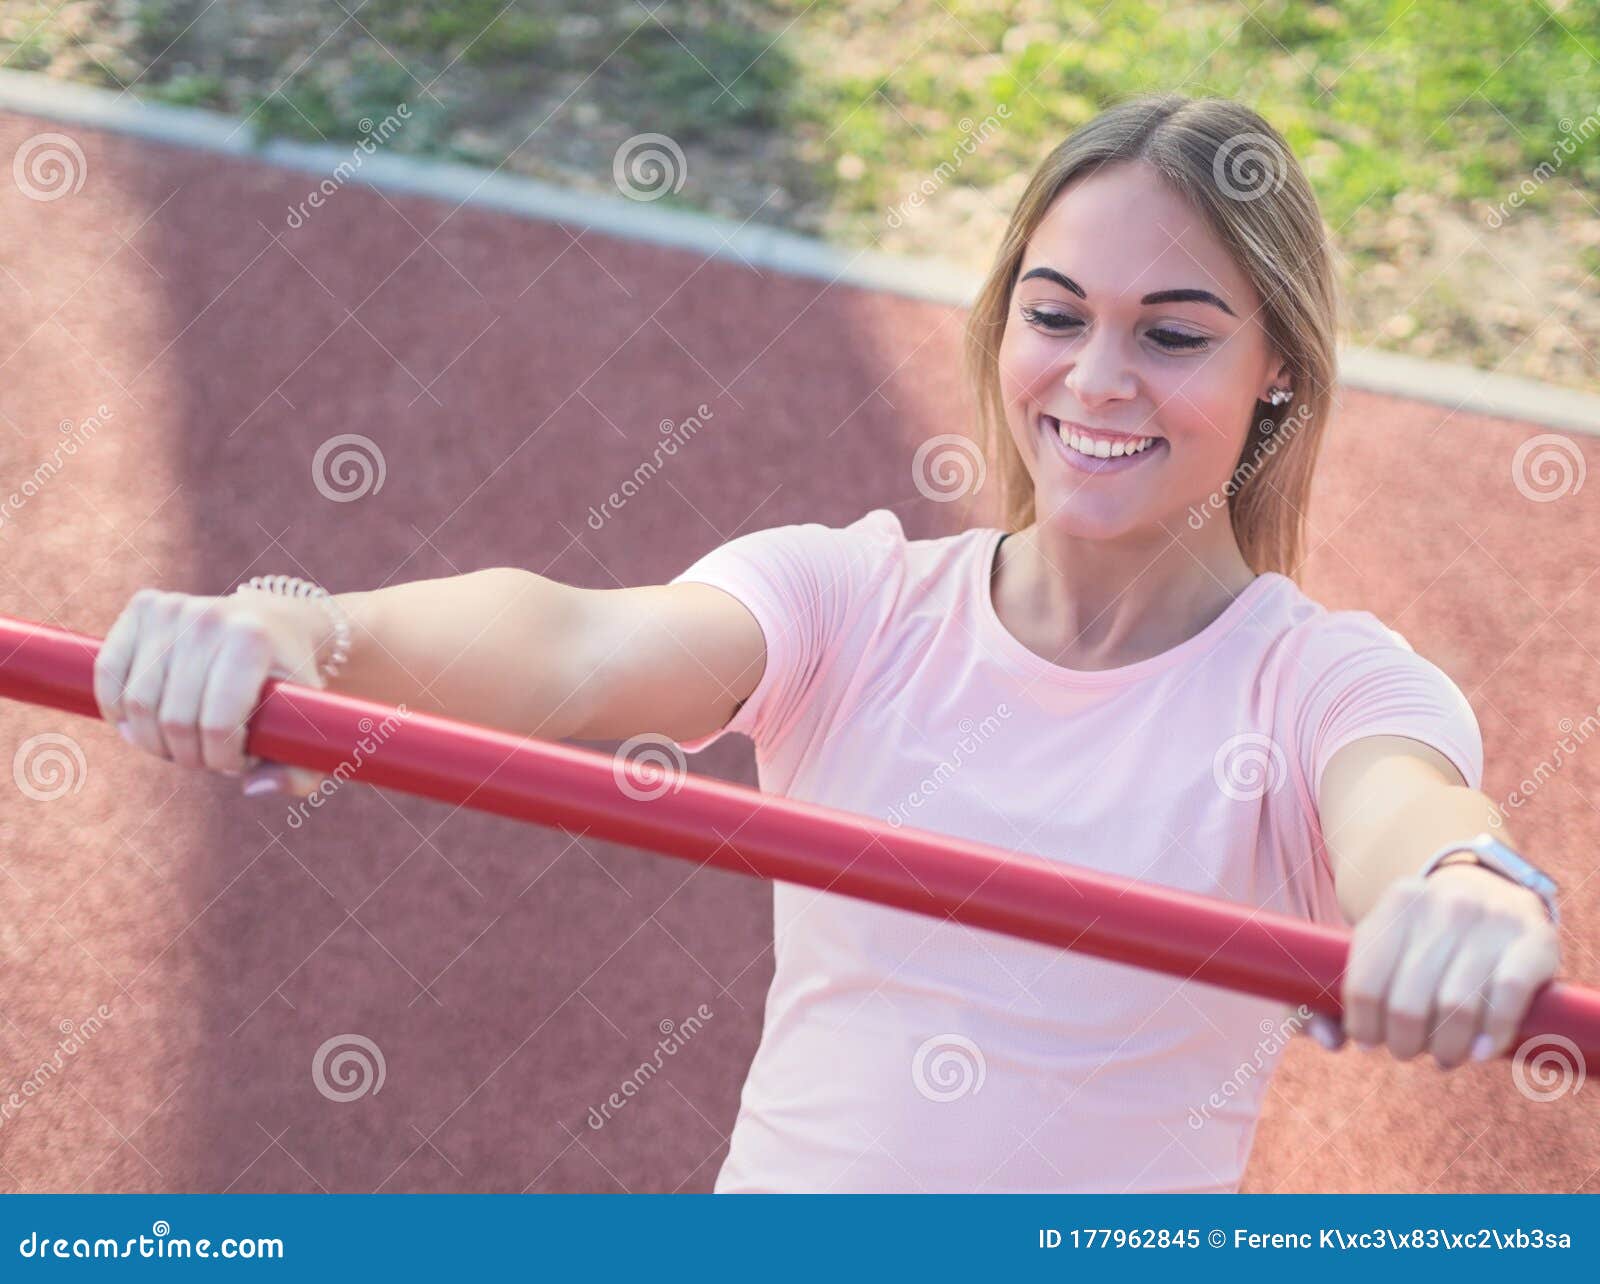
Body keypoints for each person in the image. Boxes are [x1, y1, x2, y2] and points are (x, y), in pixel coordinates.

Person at [93, 93, 1562, 1193]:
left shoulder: (1324, 684)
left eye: (1174, 336)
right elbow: (574, 649)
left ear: (1277, 375)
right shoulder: (851, 601)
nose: (1097, 380)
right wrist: (307, 626)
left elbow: (1415, 816)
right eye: (1057, 317)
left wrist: (1468, 896)